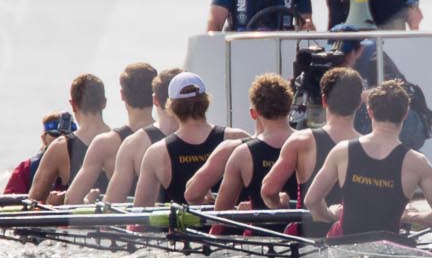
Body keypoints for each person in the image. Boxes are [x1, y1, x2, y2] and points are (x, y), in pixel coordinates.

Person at [305, 78, 432, 238]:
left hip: (344, 248)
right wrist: (410, 216)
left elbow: (311, 201)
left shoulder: (342, 150)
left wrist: (329, 215)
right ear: (405, 115)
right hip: (388, 250)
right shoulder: (418, 162)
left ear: (370, 111)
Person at [133, 73, 247, 206]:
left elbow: (140, 212)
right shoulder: (238, 138)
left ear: (171, 106)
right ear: (206, 101)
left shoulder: (157, 153)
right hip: (233, 226)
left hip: (185, 227)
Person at [261, 65, 363, 212]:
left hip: (309, 233)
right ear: (359, 104)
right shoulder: (371, 146)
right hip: (359, 233)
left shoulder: (301, 140)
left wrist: (281, 205)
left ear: (324, 100)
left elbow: (269, 190)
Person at [65, 62, 158, 204]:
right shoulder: (172, 136)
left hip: (125, 224)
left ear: (122, 95)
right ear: (155, 96)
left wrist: (89, 203)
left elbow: (72, 199)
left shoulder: (105, 143)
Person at [210, 74, 297, 224]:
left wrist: (243, 211)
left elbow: (220, 214)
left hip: (260, 242)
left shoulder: (242, 153)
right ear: (290, 106)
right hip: (307, 240)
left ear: (254, 113)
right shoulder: (310, 144)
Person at [27, 73, 111, 202]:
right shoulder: (123, 141)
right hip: (116, 219)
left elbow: (33, 202)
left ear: (72, 105)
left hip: (78, 220)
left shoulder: (60, 147)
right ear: (104, 103)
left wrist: (54, 203)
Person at [106, 66, 182, 206]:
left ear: (155, 100)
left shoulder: (133, 144)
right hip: (211, 225)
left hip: (155, 226)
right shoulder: (224, 139)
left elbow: (111, 205)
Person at [5, 111, 73, 195]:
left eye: (69, 135)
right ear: (44, 139)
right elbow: (10, 203)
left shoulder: (87, 165)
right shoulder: (26, 169)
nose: (62, 139)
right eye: (55, 134)